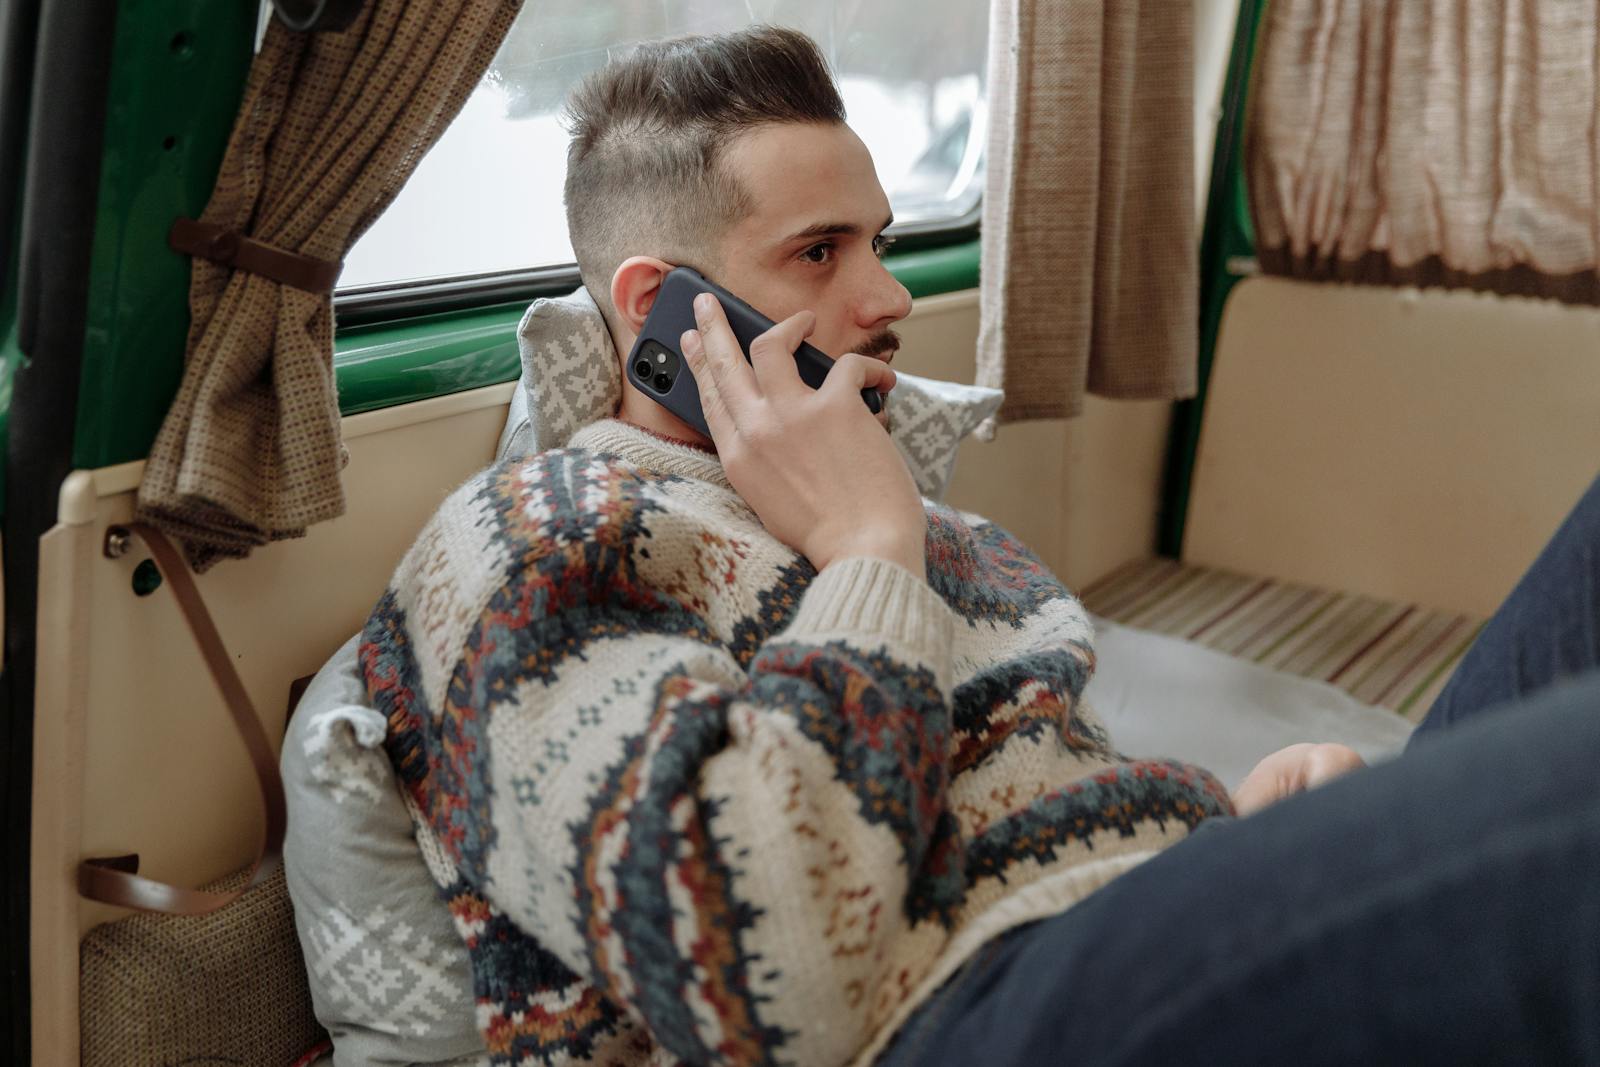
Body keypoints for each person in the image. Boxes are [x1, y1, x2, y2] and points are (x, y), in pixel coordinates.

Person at [355, 25, 1600, 1067]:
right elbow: (763, 970)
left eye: (880, 241)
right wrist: (865, 548)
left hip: (1148, 929)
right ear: (656, 311)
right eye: (816, 253)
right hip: (960, 1018)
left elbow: (1032, 805)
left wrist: (1248, 831)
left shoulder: (950, 538)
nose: (888, 296)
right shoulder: (532, 544)